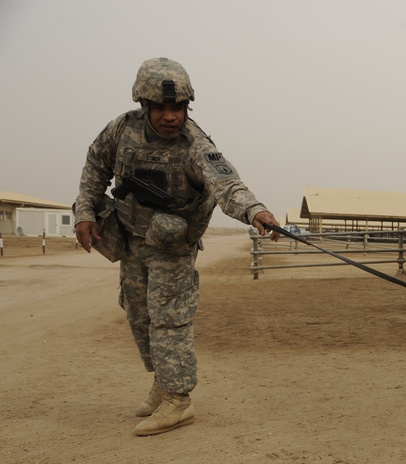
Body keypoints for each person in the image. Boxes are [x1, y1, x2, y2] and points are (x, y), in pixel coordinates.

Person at [74, 57, 280, 437]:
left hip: (173, 242)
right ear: (144, 105)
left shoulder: (196, 144)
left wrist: (256, 211)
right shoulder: (122, 130)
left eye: (179, 107)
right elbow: (94, 165)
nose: (171, 116)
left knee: (169, 317)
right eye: (161, 108)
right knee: (138, 315)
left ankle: (179, 400)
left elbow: (227, 184)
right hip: (132, 236)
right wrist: (85, 211)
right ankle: (162, 382)